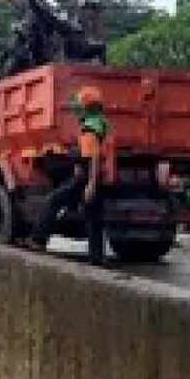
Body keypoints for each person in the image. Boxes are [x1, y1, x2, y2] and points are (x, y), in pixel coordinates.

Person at [27, 85, 109, 265]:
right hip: (91, 175)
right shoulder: (100, 121)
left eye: (79, 106)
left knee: (53, 200)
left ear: (86, 107)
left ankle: (38, 240)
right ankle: (97, 257)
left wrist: (90, 184)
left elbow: (93, 157)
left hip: (87, 177)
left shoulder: (89, 128)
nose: (76, 110)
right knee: (94, 216)